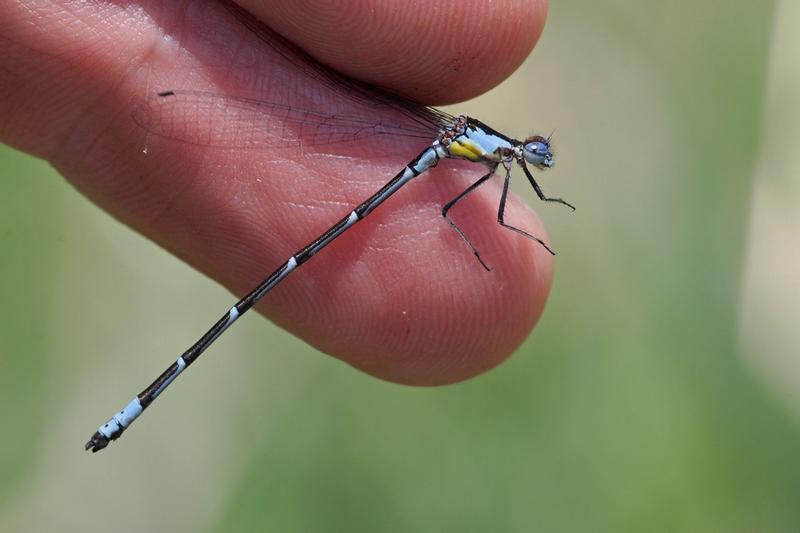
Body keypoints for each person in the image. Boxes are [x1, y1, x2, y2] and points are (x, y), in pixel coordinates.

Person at [0, 0, 554, 384]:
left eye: (530, 154)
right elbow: (461, 208)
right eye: (529, 151)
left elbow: (467, 203)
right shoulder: (480, 148)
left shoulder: (492, 157)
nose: (531, 157)